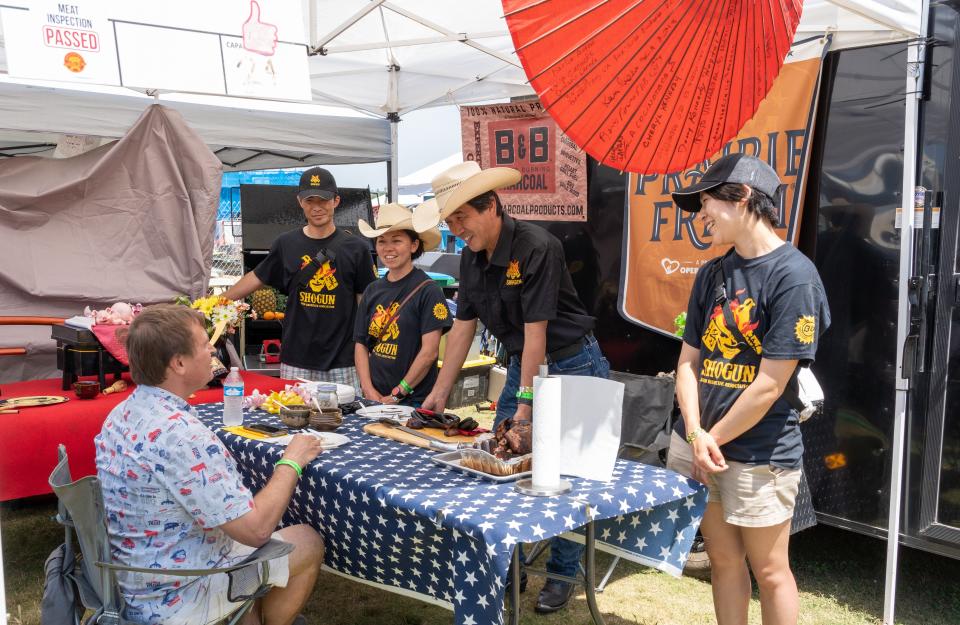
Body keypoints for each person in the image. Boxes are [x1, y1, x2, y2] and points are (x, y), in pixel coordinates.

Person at [413, 162, 609, 614]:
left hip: (572, 364)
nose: (456, 230)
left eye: (462, 218)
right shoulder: (470, 254)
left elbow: (536, 328)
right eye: (449, 223)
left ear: (492, 206)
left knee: (567, 479)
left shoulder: (537, 246)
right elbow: (462, 328)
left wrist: (524, 405)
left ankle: (561, 575)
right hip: (526, 363)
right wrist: (440, 391)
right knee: (501, 467)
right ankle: (511, 566)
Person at [666, 154, 830, 625]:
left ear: (741, 197)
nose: (700, 217)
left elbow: (769, 385)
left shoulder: (794, 276)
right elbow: (686, 365)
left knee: (771, 570)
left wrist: (707, 440)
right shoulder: (711, 273)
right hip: (701, 446)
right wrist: (696, 434)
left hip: (760, 452)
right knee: (722, 560)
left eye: (706, 203)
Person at [95, 304, 324, 625]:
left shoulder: (119, 415)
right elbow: (256, 531)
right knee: (306, 540)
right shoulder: (184, 436)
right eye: (204, 344)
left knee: (244, 557)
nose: (212, 351)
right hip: (181, 593)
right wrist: (292, 460)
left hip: (134, 576)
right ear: (178, 363)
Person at [223, 167, 378, 388]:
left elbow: (365, 304)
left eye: (323, 200)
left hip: (344, 363)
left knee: (344, 421)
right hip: (296, 361)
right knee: (294, 421)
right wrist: (217, 303)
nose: (316, 207)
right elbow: (256, 276)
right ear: (300, 202)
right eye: (309, 200)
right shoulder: (286, 244)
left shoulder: (356, 248)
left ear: (336, 201)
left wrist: (368, 349)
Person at [353, 202, 450, 405]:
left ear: (414, 245)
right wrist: (368, 389)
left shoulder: (428, 290)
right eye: (382, 241)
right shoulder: (372, 290)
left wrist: (399, 393)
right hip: (375, 398)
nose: (388, 248)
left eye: (396, 241)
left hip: (413, 399)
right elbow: (360, 343)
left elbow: (429, 352)